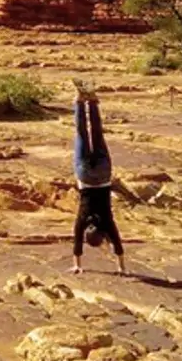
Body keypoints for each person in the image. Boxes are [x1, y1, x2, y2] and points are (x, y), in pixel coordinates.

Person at [70, 80, 127, 275]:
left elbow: (118, 247)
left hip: (103, 175)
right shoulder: (82, 221)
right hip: (85, 176)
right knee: (81, 135)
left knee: (97, 134)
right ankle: (80, 100)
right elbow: (77, 244)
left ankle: (92, 100)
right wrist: (78, 265)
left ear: (103, 236)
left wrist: (122, 268)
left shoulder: (108, 224)